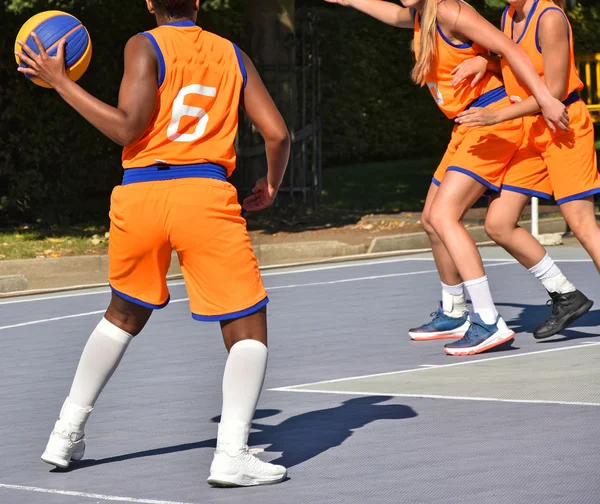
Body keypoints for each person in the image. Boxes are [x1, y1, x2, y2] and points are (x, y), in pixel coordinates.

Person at [16, 0, 291, 487]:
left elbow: (127, 129)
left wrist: (60, 81)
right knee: (247, 325)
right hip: (202, 195)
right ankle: (231, 453)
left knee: (121, 314)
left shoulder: (143, 45)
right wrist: (270, 183)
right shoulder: (232, 54)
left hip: (140, 195)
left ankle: (65, 432)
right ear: (200, 1)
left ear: (149, 3)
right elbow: (277, 134)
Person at [325, 0, 568, 355]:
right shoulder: (421, 14)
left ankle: (488, 320)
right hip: (465, 126)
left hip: (491, 123)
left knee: (444, 216)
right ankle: (454, 311)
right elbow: (393, 14)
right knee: (430, 220)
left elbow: (508, 47)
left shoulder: (451, 11)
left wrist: (545, 98)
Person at [452, 0, 598, 339]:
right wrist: (485, 61)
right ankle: (566, 296)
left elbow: (556, 91)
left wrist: (496, 115)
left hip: (564, 127)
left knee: (581, 223)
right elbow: (517, 68)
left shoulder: (548, 18)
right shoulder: (508, 15)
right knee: (498, 224)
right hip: (531, 129)